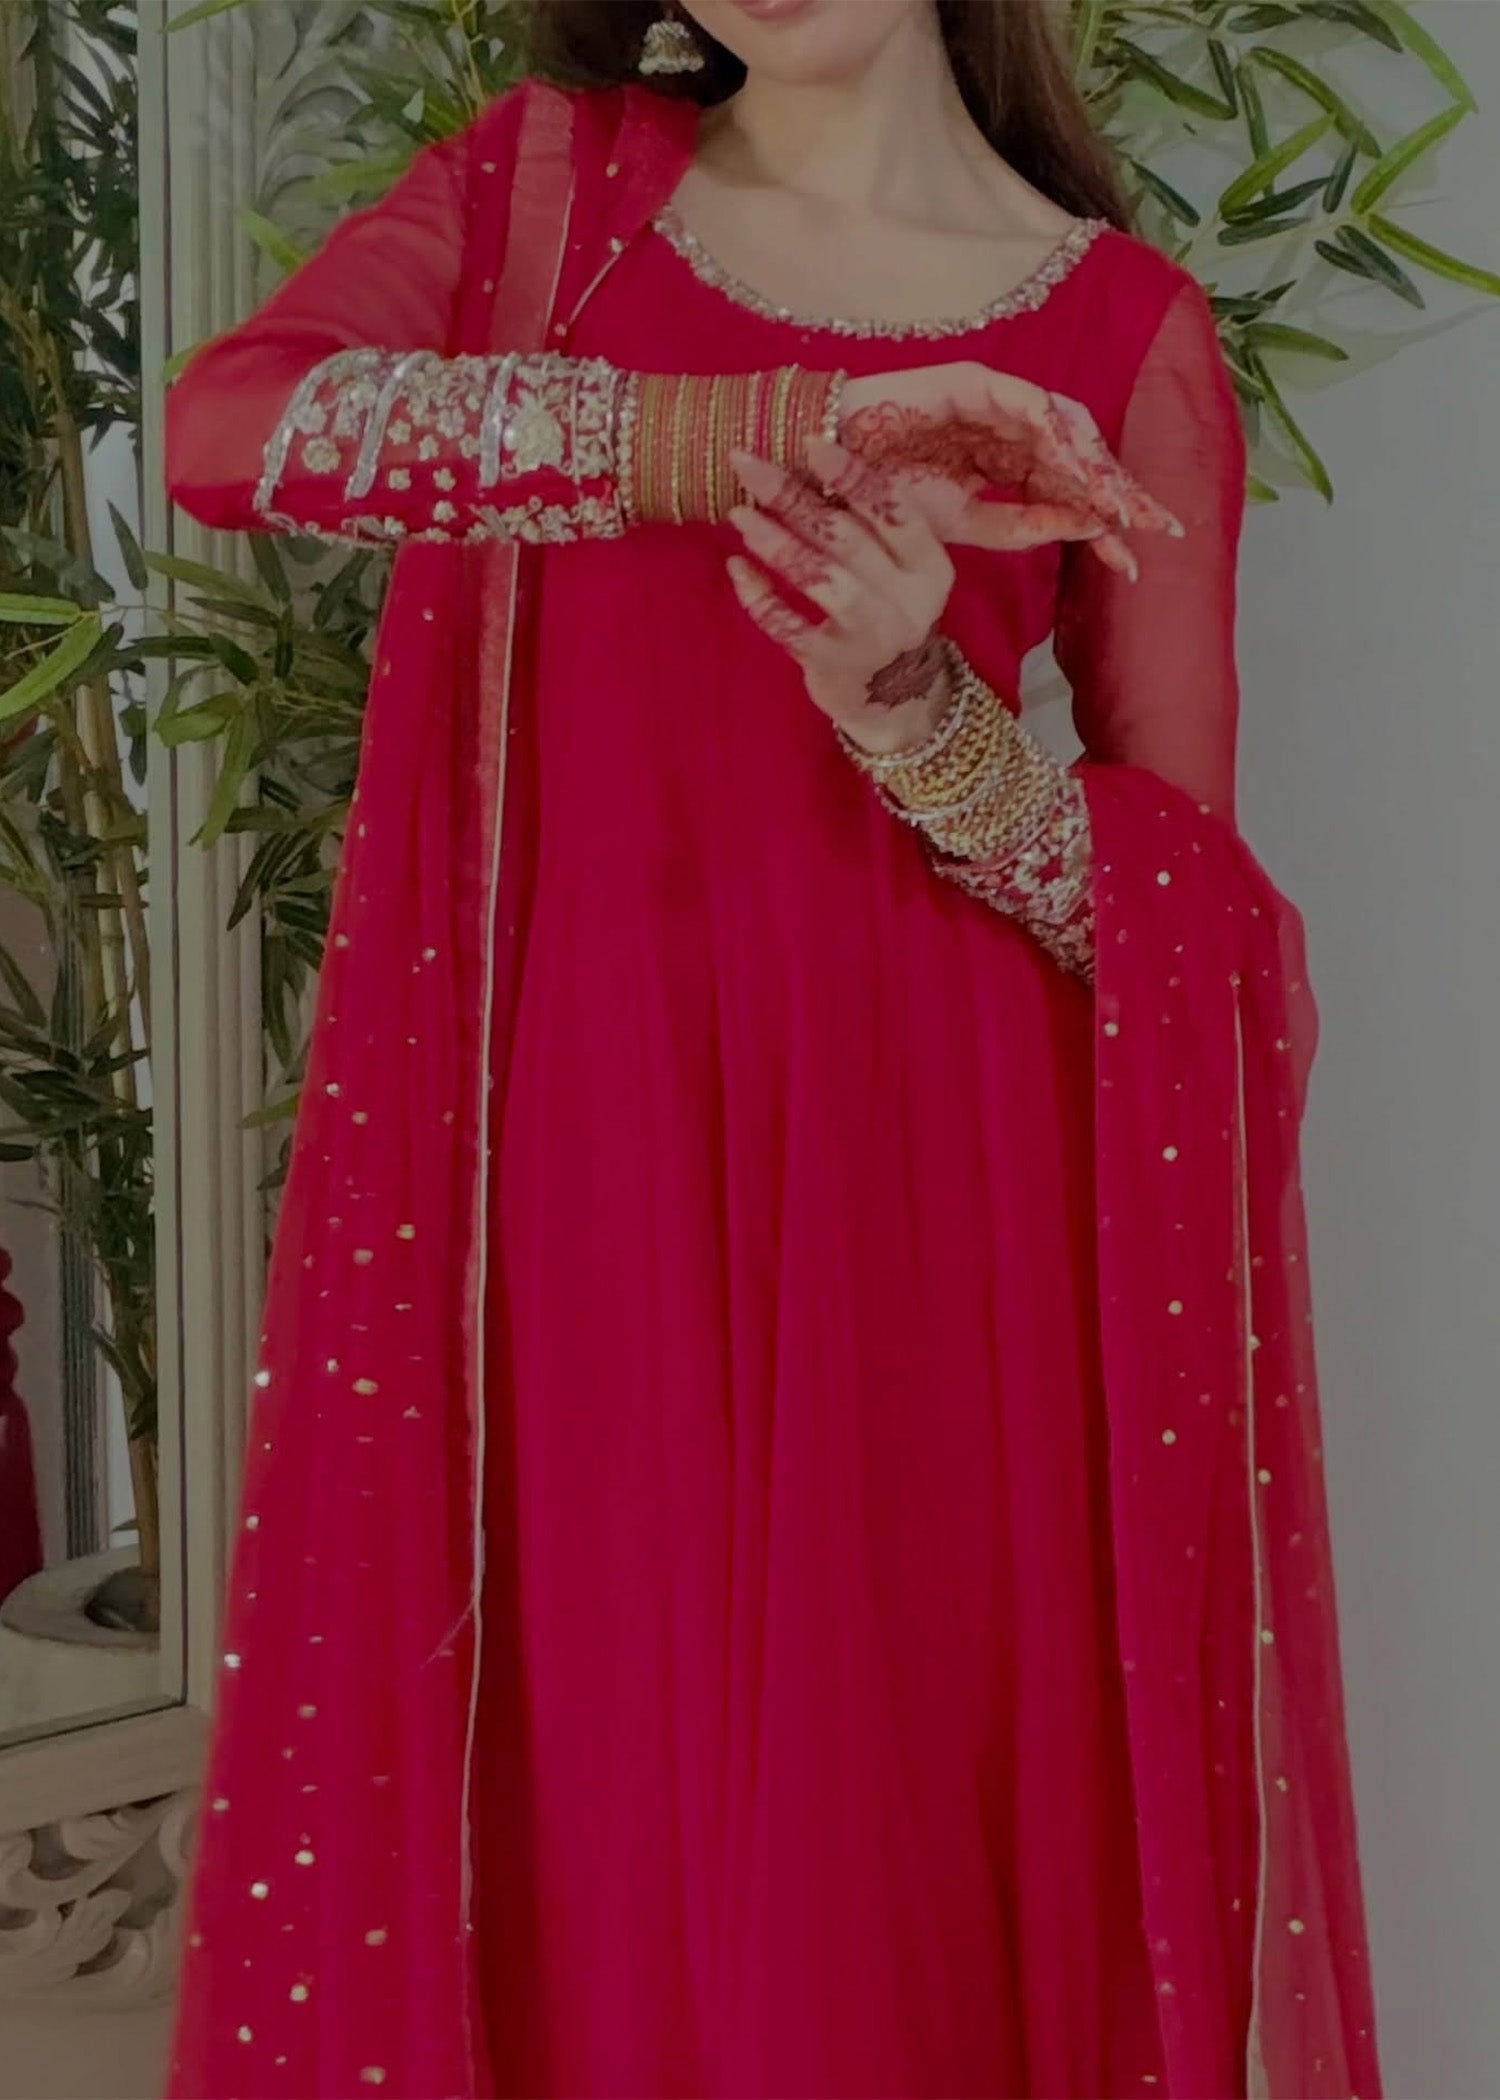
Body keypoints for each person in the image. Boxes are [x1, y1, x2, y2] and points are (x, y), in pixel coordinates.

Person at [161, 3, 1381, 2096]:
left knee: (869, 1890)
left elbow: (1192, 947)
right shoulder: (546, 197)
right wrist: (762, 434)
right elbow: (230, 433)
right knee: (594, 1843)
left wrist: (917, 712)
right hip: (578, 1177)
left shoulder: (1123, 335)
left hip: (928, 1222)